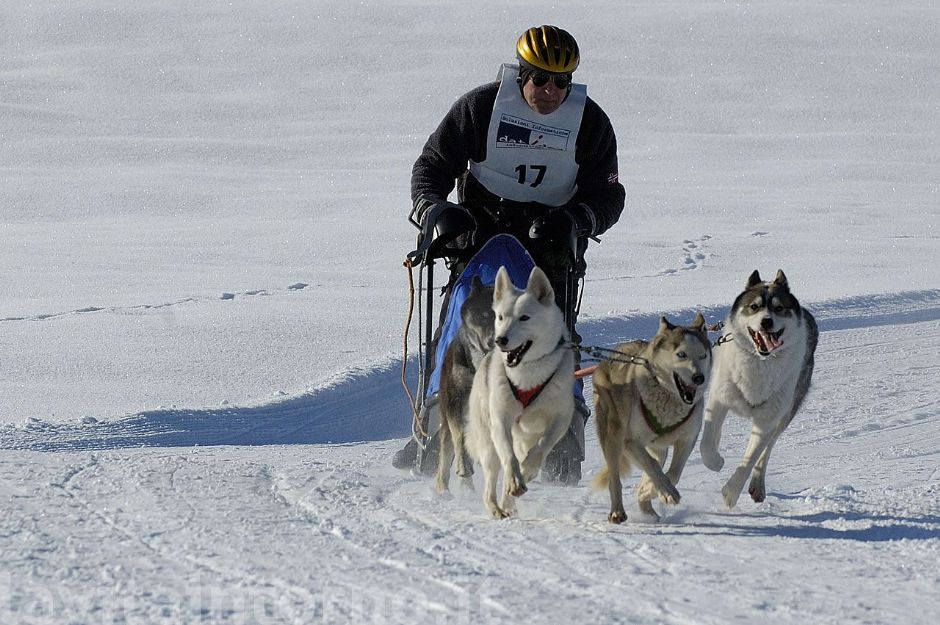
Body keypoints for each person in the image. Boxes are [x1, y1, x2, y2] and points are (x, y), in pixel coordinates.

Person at [395, 25, 625, 484]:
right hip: (478, 235)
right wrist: (435, 210)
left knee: (553, 333)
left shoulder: (590, 124)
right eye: (541, 78)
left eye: (562, 82)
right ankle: (438, 419)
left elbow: (609, 195)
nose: (551, 91)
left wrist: (578, 220)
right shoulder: (480, 108)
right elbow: (432, 167)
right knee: (462, 320)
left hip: (550, 246)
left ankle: (562, 439)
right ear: (523, 73)